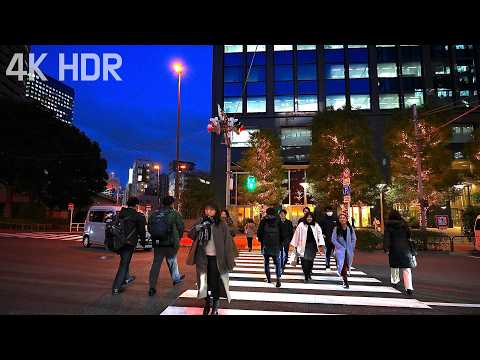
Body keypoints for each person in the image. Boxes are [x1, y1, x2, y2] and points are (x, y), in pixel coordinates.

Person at [187, 203, 238, 315]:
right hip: (202, 257)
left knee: (215, 282)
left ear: (216, 211)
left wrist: (229, 259)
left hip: (216, 258)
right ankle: (207, 302)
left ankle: (215, 304)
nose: (209, 212)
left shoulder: (221, 224)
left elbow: (228, 242)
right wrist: (197, 228)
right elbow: (190, 234)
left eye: (211, 210)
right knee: (203, 282)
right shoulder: (201, 221)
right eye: (207, 209)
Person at [147, 196, 186, 297]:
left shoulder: (154, 214)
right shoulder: (174, 214)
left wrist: (157, 236)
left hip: (158, 242)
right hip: (171, 242)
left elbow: (150, 228)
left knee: (156, 264)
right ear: (172, 203)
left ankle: (152, 286)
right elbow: (181, 227)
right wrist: (179, 237)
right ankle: (176, 279)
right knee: (172, 259)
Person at [112, 197, 146, 295]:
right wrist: (143, 242)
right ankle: (116, 288)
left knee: (124, 261)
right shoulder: (138, 216)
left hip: (118, 241)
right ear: (136, 205)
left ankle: (126, 278)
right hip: (129, 243)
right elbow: (142, 231)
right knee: (124, 264)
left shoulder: (121, 213)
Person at [383, 210, 416, 296]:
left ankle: (394, 281)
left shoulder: (388, 226)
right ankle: (409, 287)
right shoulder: (404, 224)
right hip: (405, 248)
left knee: (394, 266)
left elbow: (387, 238)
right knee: (407, 268)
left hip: (394, 248)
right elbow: (409, 235)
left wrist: (386, 248)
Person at [291, 212, 325, 283]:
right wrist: (295, 245)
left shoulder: (316, 225)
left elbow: (320, 235)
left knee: (310, 261)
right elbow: (296, 235)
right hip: (302, 245)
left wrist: (321, 244)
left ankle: (309, 273)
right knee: (303, 261)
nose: (309, 218)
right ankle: (306, 275)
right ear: (305, 217)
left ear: (313, 218)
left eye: (311, 217)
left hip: (312, 246)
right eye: (308, 217)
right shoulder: (301, 225)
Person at [257, 207, 283, 288]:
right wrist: (280, 243)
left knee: (266, 262)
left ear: (267, 213)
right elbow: (282, 233)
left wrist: (262, 241)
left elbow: (259, 233)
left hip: (266, 245)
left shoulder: (263, 220)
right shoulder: (278, 221)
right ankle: (278, 278)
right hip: (276, 245)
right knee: (277, 262)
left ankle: (268, 278)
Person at [331, 213, 357, 289]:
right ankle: (345, 281)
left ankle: (344, 277)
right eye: (341, 218)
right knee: (343, 265)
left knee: (346, 264)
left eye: (344, 218)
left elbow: (354, 239)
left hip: (349, 250)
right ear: (339, 220)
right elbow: (333, 239)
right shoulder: (336, 228)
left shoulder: (350, 228)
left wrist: (351, 246)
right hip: (340, 250)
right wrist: (339, 247)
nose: (342, 219)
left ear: (346, 219)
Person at [318, 206, 338, 270]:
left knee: (337, 253)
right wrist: (322, 234)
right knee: (327, 253)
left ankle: (338, 265)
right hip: (327, 239)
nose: (329, 212)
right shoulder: (323, 219)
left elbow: (339, 228)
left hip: (335, 239)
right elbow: (319, 228)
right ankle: (327, 265)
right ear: (326, 212)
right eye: (328, 211)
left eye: (330, 211)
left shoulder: (335, 219)